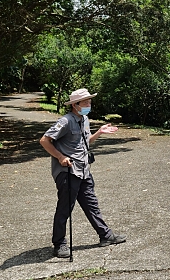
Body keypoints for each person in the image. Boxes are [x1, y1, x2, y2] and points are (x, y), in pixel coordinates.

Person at [39, 88, 126, 258]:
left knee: (91, 204)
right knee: (65, 208)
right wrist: (60, 156)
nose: (89, 104)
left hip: (84, 170)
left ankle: (106, 235)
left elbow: (86, 142)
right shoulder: (65, 121)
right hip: (69, 171)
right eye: (85, 102)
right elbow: (44, 140)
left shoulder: (84, 119)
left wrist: (99, 132)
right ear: (75, 105)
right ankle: (59, 244)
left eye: (89, 101)